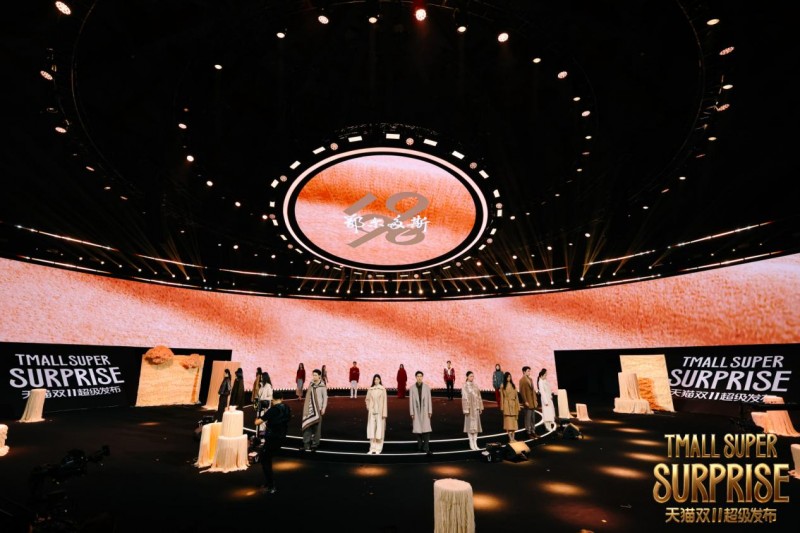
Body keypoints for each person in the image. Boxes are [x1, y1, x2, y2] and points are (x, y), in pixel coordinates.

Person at [255, 390, 291, 494]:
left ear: (272, 399)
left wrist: (258, 416)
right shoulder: (287, 408)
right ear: (282, 398)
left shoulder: (273, 410)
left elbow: (257, 422)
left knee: (265, 460)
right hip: (281, 437)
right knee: (267, 459)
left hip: (272, 438)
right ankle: (269, 484)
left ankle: (271, 486)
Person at [301, 369, 328, 451]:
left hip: (318, 410)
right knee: (307, 426)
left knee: (317, 428)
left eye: (315, 375)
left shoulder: (322, 386)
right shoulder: (311, 384)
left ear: (319, 376)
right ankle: (306, 444)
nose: (314, 376)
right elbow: (308, 396)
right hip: (309, 409)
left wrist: (323, 408)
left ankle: (315, 444)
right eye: (313, 375)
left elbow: (325, 398)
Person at [410, 371, 433, 455]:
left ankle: (426, 447)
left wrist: (430, 411)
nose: (419, 378)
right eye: (418, 376)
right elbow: (410, 401)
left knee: (426, 430)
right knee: (418, 430)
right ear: (416, 377)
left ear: (422, 377)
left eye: (420, 376)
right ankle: (419, 447)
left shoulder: (427, 387)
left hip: (425, 410)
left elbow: (429, 400)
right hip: (416, 411)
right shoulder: (412, 388)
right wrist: (412, 412)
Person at [365, 374, 388, 454]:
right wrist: (369, 408)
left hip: (380, 413)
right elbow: (367, 399)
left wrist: (384, 413)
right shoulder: (370, 389)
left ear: (380, 380)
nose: (376, 380)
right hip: (372, 413)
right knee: (372, 431)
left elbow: (385, 402)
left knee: (379, 431)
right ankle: (372, 448)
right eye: (375, 379)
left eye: (377, 379)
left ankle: (378, 448)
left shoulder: (383, 389)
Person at [461, 371, 484, 450]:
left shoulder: (475, 386)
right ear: (467, 377)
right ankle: (471, 442)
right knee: (470, 427)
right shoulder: (465, 386)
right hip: (469, 409)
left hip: (475, 408)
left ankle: (475, 442)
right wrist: (466, 410)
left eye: (473, 376)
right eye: (471, 376)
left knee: (476, 426)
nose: (472, 377)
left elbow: (479, 396)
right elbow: (464, 399)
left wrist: (480, 407)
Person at [519, 366, 539, 439]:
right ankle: (528, 432)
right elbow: (522, 392)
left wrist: (535, 399)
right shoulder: (522, 380)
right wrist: (525, 401)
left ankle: (533, 431)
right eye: (528, 371)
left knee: (533, 418)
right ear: (524, 372)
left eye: (529, 371)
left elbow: (533, 391)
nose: (529, 372)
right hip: (527, 402)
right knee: (528, 418)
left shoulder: (530, 379)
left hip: (532, 401)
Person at [500, 371, 520, 442]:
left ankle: (513, 438)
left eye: (510, 376)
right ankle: (510, 438)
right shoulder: (502, 386)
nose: (509, 378)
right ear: (505, 377)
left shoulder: (513, 385)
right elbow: (502, 397)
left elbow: (516, 397)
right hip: (507, 405)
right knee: (508, 423)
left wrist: (518, 405)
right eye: (508, 377)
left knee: (514, 423)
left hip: (513, 405)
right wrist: (502, 407)